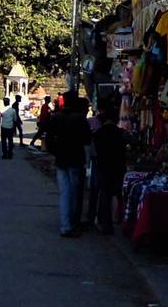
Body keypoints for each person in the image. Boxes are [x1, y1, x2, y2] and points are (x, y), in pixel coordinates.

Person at [44, 95, 91, 236]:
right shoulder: (80, 119)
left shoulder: (56, 117)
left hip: (61, 160)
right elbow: (87, 140)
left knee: (65, 193)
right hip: (76, 159)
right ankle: (72, 223)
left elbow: (49, 139)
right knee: (75, 194)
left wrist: (56, 152)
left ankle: (65, 225)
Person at [89, 106, 127, 234]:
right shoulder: (120, 133)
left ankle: (105, 223)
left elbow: (95, 150)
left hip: (103, 166)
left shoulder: (99, 133)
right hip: (118, 167)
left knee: (105, 195)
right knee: (117, 194)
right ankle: (121, 222)